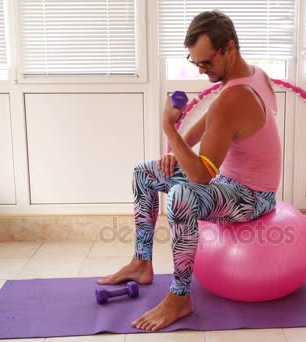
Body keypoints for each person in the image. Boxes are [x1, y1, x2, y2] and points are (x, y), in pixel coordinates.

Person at [97, 10, 282, 331]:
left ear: (229, 48)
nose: (201, 71)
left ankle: (180, 296)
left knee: (183, 195)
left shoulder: (234, 96)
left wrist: (168, 127)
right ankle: (141, 262)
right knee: (144, 173)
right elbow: (212, 122)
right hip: (230, 182)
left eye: (206, 63)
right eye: (195, 62)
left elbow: (201, 177)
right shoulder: (252, 75)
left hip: (253, 197)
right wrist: (174, 152)